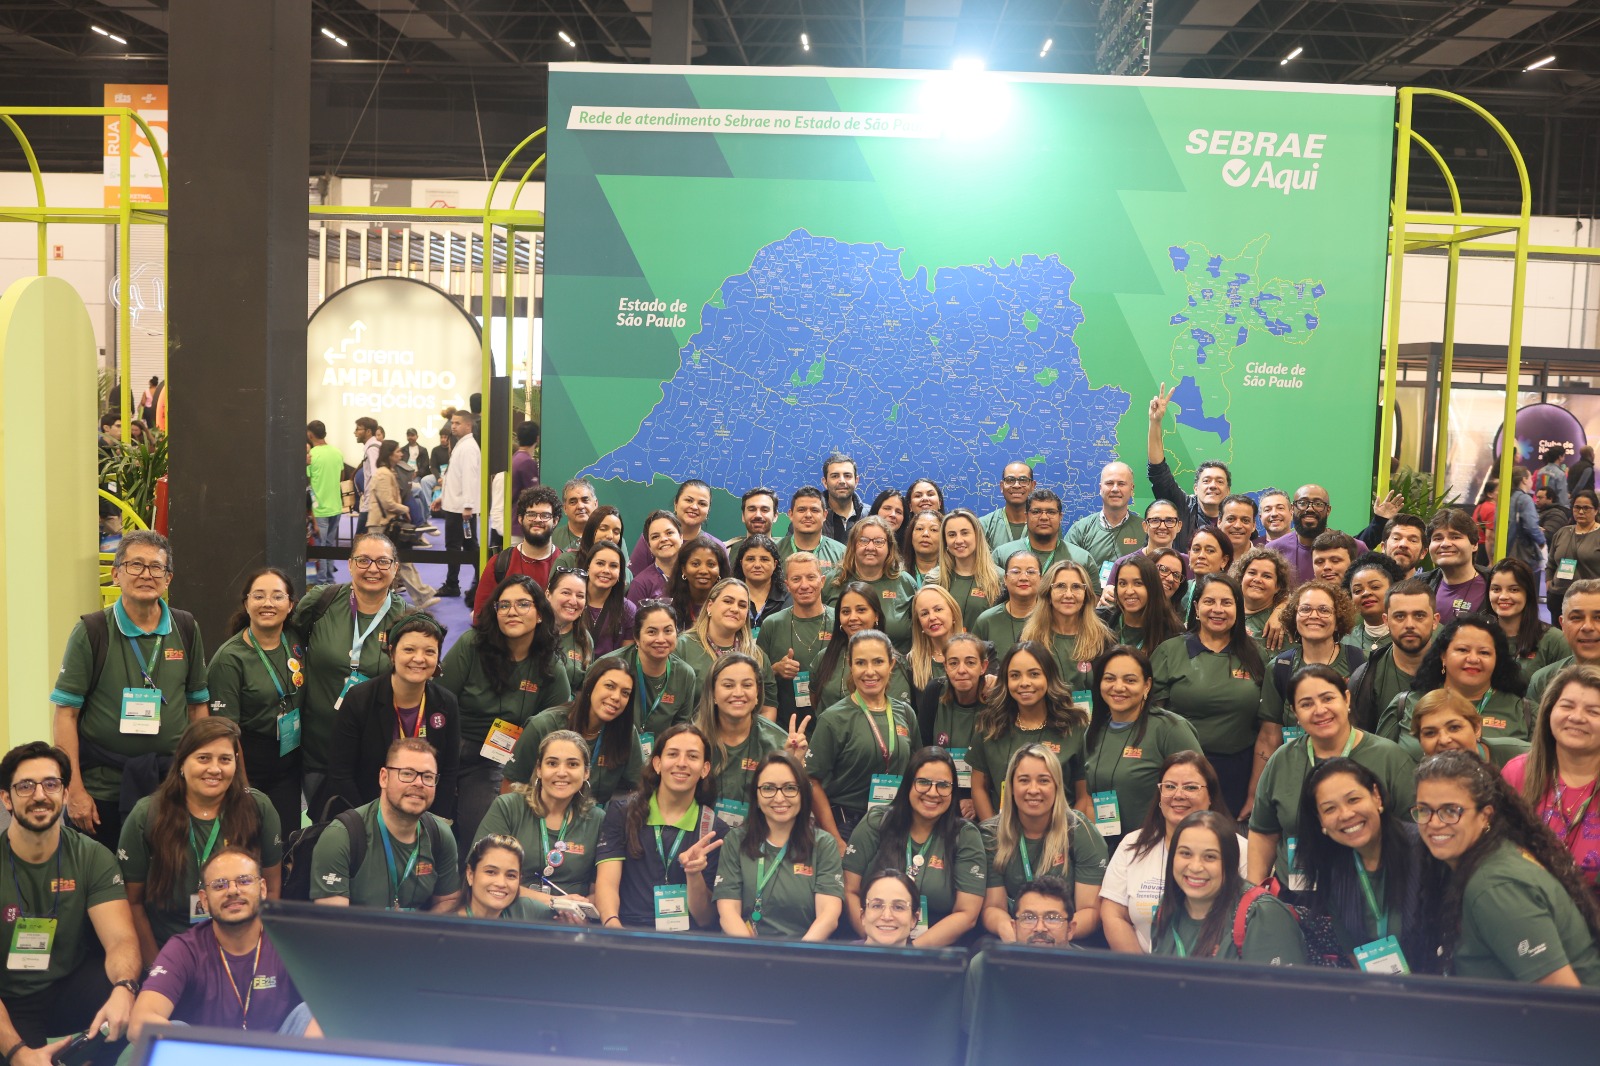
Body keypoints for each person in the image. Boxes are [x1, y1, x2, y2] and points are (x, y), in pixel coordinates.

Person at [52, 530, 210, 850]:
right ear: (116, 574)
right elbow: (65, 714)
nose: (146, 574)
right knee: (102, 875)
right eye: (135, 565)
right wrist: (74, 790)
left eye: (156, 567)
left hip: (171, 785)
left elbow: (197, 708)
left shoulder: (185, 628)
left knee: (167, 874)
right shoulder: (92, 631)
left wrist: (200, 778)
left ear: (168, 579)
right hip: (102, 790)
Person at [0, 742, 141, 1066]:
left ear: (65, 794)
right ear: (6, 798)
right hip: (10, 998)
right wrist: (18, 1053)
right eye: (26, 786)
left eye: (51, 784)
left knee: (133, 994)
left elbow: (120, 940)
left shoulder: (91, 856)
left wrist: (124, 988)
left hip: (68, 985)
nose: (40, 795)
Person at [1413, 750, 1600, 984]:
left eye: (1451, 811)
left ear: (1485, 816)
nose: (1434, 823)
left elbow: (1563, 997)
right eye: (1424, 810)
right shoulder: (1488, 854)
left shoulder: (1495, 887)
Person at [118, 719, 281, 966]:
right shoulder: (147, 815)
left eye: (225, 759)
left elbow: (272, 891)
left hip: (242, 949)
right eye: (203, 758)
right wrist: (156, 968)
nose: (215, 769)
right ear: (182, 763)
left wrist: (259, 957)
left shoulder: (258, 808)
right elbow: (133, 903)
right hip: (170, 951)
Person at [1248, 666, 1415, 894]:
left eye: (1328, 698)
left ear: (1346, 699)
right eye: (1306, 704)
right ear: (1295, 713)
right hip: (1295, 895)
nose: (1320, 710)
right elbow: (1263, 831)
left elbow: (1412, 833)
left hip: (1371, 896)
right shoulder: (1282, 759)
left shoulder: (1389, 757)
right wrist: (1254, 895)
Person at [128, 847, 316, 1037]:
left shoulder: (290, 941)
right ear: (204, 900)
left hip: (279, 1050)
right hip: (205, 1051)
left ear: (263, 889)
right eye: (219, 885)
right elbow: (140, 1023)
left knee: (310, 1014)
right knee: (173, 1028)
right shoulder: (184, 949)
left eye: (244, 881)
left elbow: (330, 1005)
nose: (233, 891)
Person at [442, 575, 571, 848]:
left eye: (523, 604)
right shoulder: (472, 645)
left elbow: (556, 730)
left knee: (482, 835)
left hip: (494, 760)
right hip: (447, 747)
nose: (512, 611)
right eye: (504, 605)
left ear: (539, 614)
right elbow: (438, 703)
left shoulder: (550, 666)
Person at [288, 532, 409, 807]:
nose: (373, 569)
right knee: (324, 824)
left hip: (376, 758)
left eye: (383, 561)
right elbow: (289, 647)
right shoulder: (321, 602)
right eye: (363, 560)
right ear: (350, 564)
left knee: (372, 828)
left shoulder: (407, 619)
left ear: (395, 568)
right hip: (319, 751)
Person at [320, 613, 460, 820]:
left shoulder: (447, 703)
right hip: (362, 811)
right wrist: (368, 823)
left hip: (423, 814)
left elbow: (448, 772)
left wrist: (432, 824)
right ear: (392, 653)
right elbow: (341, 773)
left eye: (430, 651)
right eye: (409, 650)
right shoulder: (360, 699)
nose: (419, 658)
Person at [1100, 752, 1243, 953]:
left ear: (1210, 796)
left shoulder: (1240, 849)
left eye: (1190, 787)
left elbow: (1244, 919)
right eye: (1169, 786)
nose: (1178, 795)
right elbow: (1113, 914)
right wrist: (1143, 968)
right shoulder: (1132, 845)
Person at [1295, 758, 1430, 970]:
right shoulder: (1332, 868)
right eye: (1329, 809)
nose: (1346, 814)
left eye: (1353, 799)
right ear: (1320, 820)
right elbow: (1351, 948)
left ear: (1376, 796)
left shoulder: (1425, 850)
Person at [843, 748, 984, 946]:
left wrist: (909, 951)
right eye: (923, 782)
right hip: (873, 945)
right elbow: (850, 890)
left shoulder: (965, 835)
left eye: (943, 785)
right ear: (909, 784)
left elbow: (967, 913)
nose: (932, 792)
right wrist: (875, 941)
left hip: (935, 951)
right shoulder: (876, 822)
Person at [1150, 573, 1266, 816]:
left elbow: (1268, 730)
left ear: (1238, 609)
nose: (1218, 610)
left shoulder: (1257, 655)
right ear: (1196, 607)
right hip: (1181, 772)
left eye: (1227, 602)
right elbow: (1151, 721)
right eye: (1209, 601)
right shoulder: (1170, 651)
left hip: (1239, 773)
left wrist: (1255, 792)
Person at [594, 724, 729, 930]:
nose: (681, 763)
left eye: (692, 756)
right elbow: (607, 883)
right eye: (672, 754)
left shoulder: (713, 831)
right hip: (627, 931)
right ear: (657, 763)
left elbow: (705, 919)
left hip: (685, 939)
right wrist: (612, 924)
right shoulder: (622, 813)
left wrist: (693, 874)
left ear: (705, 769)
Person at [206, 568, 304, 835]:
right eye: (259, 596)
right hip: (250, 762)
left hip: (289, 758)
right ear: (246, 603)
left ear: (290, 604)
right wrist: (241, 784)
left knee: (286, 838)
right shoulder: (229, 659)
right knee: (249, 839)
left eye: (277, 596)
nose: (268, 603)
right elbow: (225, 732)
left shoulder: (294, 640)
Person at [310, 739, 459, 911]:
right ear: (384, 778)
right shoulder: (341, 837)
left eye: (428, 777)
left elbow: (447, 901)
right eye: (407, 773)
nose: (419, 783)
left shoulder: (440, 835)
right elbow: (334, 921)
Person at [979, 745, 1108, 942]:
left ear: (1057, 786)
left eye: (1043, 781)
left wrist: (1050, 935)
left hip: (1065, 940)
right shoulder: (990, 834)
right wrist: (1018, 936)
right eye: (1024, 780)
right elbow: (993, 908)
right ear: (1011, 787)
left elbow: (1091, 911)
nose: (1033, 790)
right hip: (1015, 940)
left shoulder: (1080, 831)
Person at [807, 629, 921, 850]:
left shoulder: (905, 713)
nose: (870, 671)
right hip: (847, 826)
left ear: (891, 665)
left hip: (897, 824)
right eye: (860, 663)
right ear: (850, 665)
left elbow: (915, 770)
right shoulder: (833, 718)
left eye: (878, 662)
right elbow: (812, 781)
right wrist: (835, 839)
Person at [1083, 646, 1202, 852]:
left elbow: (1200, 792)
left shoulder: (1170, 728)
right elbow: (1088, 797)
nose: (1118, 687)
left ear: (1147, 685)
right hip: (1108, 848)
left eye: (1130, 680)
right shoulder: (1094, 731)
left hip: (1159, 847)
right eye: (1109, 678)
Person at [1151, 810, 1308, 964]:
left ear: (1230, 862)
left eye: (1210, 857)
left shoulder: (1263, 915)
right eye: (1186, 853)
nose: (1195, 867)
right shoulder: (1167, 908)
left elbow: (1281, 982)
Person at [715, 752, 843, 940]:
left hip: (803, 950)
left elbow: (828, 917)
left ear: (803, 794)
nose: (779, 798)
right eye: (768, 788)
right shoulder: (736, 840)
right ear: (756, 796)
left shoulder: (823, 844)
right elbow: (728, 913)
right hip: (744, 949)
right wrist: (751, 952)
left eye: (790, 788)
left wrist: (796, 954)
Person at [474, 730, 605, 909]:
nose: (561, 772)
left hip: (570, 921)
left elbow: (602, 890)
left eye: (573, 764)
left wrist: (581, 910)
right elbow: (480, 876)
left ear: (586, 773)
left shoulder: (597, 819)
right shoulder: (508, 807)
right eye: (552, 763)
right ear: (539, 770)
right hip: (509, 914)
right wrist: (553, 902)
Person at [968, 641, 1091, 822]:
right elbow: (979, 788)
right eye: (1015, 675)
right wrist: (994, 831)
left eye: (1034, 674)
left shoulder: (1075, 726)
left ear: (1049, 676)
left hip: (1061, 832)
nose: (1024, 683)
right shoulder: (990, 725)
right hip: (1002, 833)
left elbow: (1084, 796)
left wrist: (1067, 831)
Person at [1503, 664, 1600, 890]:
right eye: (1567, 706)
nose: (1576, 717)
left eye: (1594, 712)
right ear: (1549, 711)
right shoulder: (1516, 773)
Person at [1379, 615, 1534, 751]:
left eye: (1484, 652)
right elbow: (1382, 762)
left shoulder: (1525, 711)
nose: (1473, 659)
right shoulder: (1406, 704)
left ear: (1497, 661)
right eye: (1462, 650)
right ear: (1443, 656)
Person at [501, 658, 644, 805]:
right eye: (609, 686)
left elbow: (641, 788)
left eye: (625, 693)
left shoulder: (625, 733)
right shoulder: (543, 726)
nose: (616, 697)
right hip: (539, 812)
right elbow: (510, 786)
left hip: (592, 816)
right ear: (590, 685)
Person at [1256, 579, 1366, 767]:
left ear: (1338, 621)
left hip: (1353, 767)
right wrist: (1258, 786)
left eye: (1324, 610)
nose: (1314, 616)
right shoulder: (1280, 667)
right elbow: (1269, 737)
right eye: (1305, 609)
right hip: (1297, 767)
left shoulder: (1360, 661)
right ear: (1294, 617)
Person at [696, 654, 805, 825]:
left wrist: (795, 767)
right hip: (699, 833)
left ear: (757, 693)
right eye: (728, 685)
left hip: (760, 832)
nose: (738, 693)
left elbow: (798, 808)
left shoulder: (778, 743)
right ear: (713, 693)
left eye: (747, 685)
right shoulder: (694, 740)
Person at [675, 579, 779, 717]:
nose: (735, 609)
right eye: (728, 601)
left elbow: (767, 708)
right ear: (710, 606)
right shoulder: (681, 647)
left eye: (742, 605)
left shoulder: (756, 655)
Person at [1146, 385, 1231, 551]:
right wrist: (1155, 422)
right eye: (1206, 481)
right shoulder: (1182, 507)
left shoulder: (1235, 520)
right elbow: (1158, 470)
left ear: (1228, 491)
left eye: (1220, 481)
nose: (1213, 485)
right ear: (1195, 488)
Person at [1347, 578, 1438, 733]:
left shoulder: (1454, 670)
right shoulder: (1364, 678)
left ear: (1435, 621)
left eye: (1419, 615)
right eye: (1399, 616)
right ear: (1386, 621)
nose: (1409, 625)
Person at [757, 553, 835, 731]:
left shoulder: (840, 621)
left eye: (811, 577)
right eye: (796, 579)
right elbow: (755, 678)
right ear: (787, 585)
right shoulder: (772, 624)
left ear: (822, 581)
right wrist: (775, 669)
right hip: (784, 727)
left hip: (833, 727)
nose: (804, 585)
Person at [807, 583, 913, 711]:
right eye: (846, 612)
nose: (852, 618)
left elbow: (898, 712)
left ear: (876, 615)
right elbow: (815, 700)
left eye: (861, 610)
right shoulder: (824, 658)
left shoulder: (895, 662)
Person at [914, 634, 987, 817]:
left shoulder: (994, 698)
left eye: (970, 663)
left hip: (982, 796)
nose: (961, 670)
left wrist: (976, 799)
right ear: (945, 666)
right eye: (953, 663)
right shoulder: (935, 691)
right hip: (938, 792)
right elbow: (923, 749)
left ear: (983, 667)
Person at [822, 516, 917, 652]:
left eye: (879, 542)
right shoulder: (833, 580)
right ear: (853, 545)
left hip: (896, 663)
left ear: (889, 547)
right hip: (841, 661)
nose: (870, 547)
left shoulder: (905, 583)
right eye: (863, 540)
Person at [1022, 560, 1113, 700]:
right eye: (1060, 586)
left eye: (1076, 587)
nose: (1069, 594)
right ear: (1048, 594)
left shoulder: (1103, 639)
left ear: (1086, 595)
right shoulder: (1029, 637)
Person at [472, 487, 564, 621]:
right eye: (531, 514)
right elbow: (481, 616)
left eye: (545, 515)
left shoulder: (565, 563)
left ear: (555, 521)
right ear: (520, 519)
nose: (538, 520)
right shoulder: (499, 564)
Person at [366, 440, 438, 607]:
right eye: (398, 451)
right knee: (395, 562)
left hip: (385, 524)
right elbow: (387, 502)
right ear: (389, 454)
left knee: (400, 561)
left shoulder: (388, 472)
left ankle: (421, 596)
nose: (401, 454)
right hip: (381, 526)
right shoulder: (384, 474)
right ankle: (421, 596)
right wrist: (405, 508)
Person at [1489, 558, 1569, 687]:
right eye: (1496, 589)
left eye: (1514, 590)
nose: (1503, 596)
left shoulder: (1554, 640)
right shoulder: (1481, 636)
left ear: (1528, 593)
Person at [1265, 485, 1362, 585]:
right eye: (1302, 503)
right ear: (1292, 508)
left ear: (1328, 510)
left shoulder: (1355, 547)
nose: (1310, 509)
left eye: (1318, 504)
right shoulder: (1273, 551)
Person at [1409, 688, 1530, 768]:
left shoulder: (1522, 758)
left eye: (1454, 727)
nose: (1444, 740)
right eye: (1430, 733)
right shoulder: (1417, 775)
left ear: (1477, 729)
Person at [629, 479, 724, 576]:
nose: (694, 507)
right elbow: (632, 579)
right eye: (689, 500)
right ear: (676, 503)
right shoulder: (651, 539)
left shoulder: (717, 547)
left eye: (702, 504)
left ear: (708, 510)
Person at [434, 408, 481, 602]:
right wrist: (442, 498)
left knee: (456, 547)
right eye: (452, 423)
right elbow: (454, 478)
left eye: (457, 423)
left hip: (460, 510)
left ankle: (453, 584)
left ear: (468, 425)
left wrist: (468, 506)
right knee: (469, 546)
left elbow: (470, 478)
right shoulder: (462, 445)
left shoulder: (468, 448)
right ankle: (478, 580)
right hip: (456, 506)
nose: (453, 426)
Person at [1065, 461, 1142, 577]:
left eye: (1121, 484)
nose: (1115, 489)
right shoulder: (1080, 530)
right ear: (1100, 488)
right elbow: (1066, 572)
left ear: (1132, 489)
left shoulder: (1145, 530)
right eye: (1109, 483)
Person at [932, 509, 1004, 631]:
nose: (959, 540)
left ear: (977, 536)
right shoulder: (934, 579)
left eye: (965, 533)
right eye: (952, 535)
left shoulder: (1000, 578)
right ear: (945, 541)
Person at [1530, 578, 1600, 704]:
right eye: (1576, 618)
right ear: (1562, 625)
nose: (1587, 627)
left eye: (1598, 618)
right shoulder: (1543, 681)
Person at [455, 835, 552, 922]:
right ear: (470, 875)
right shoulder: (450, 926)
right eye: (490, 872)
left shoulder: (527, 911)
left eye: (511, 875)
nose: (501, 883)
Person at [994, 490, 1089, 576]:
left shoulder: (1082, 559)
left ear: (1060, 517)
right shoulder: (1002, 555)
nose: (1044, 517)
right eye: (1036, 512)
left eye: (1051, 512)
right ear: (1026, 516)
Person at [971, 549, 1041, 664]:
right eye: (1016, 572)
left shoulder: (1053, 618)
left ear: (1041, 579)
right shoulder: (986, 621)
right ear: (1005, 579)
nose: (1023, 577)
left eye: (1031, 572)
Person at [1103, 555, 1184, 652]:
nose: (1129, 591)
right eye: (1123, 583)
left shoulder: (1172, 633)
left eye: (1138, 583)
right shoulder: (1101, 620)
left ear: (1152, 587)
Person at [1422, 508, 1490, 623]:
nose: (1445, 544)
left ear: (1474, 545)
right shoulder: (1419, 585)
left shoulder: (1495, 586)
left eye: (1455, 537)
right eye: (1438, 538)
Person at [906, 585, 966, 706]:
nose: (932, 617)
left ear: (953, 613)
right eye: (924, 614)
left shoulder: (978, 652)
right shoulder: (911, 662)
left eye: (938, 609)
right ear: (919, 623)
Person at [1548, 490, 1600, 622]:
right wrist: (1549, 584)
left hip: (1590, 600)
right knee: (1558, 633)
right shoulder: (1562, 533)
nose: (1581, 512)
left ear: (1596, 510)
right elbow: (1551, 563)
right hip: (1559, 596)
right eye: (1577, 507)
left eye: (1586, 508)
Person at [305, 421, 344, 585]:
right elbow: (341, 476)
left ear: (310, 435)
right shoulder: (337, 452)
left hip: (319, 509)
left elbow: (306, 481)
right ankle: (329, 580)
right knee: (329, 546)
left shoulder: (311, 456)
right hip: (336, 506)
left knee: (320, 547)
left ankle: (322, 583)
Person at [1343, 552, 1405, 655]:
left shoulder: (1412, 632)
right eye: (1358, 591)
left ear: (1394, 589)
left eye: (1375, 587)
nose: (1366, 593)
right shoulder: (1346, 641)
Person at [776, 488, 846, 578]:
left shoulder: (841, 553)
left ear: (824, 515)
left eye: (814, 510)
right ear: (791, 514)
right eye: (801, 510)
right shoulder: (775, 551)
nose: (808, 515)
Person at [1110, 499, 1187, 579]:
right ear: (1145, 526)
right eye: (1155, 520)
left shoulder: (1188, 564)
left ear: (1179, 526)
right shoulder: (1123, 565)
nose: (1162, 527)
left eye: (1170, 521)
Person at [666, 535, 730, 630]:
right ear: (683, 569)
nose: (703, 571)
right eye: (695, 564)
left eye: (711, 564)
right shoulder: (668, 606)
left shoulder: (730, 606)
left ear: (720, 570)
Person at [584, 540, 636, 657]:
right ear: (588, 566)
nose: (606, 570)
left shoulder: (628, 610)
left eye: (613, 566)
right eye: (600, 563)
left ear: (620, 572)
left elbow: (625, 658)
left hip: (611, 668)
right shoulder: (572, 602)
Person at [1234, 547, 1289, 651]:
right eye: (1252, 573)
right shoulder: (1227, 610)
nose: (1257, 579)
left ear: (1278, 586)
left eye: (1267, 576)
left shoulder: (1282, 624)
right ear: (1241, 578)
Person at [546, 567, 592, 693]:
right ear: (548, 595)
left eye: (580, 596)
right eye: (566, 593)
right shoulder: (531, 630)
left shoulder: (585, 639)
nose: (573, 601)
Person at [626, 510, 682, 606]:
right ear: (649, 546)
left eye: (669, 533)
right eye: (655, 537)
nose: (663, 539)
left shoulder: (693, 574)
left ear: (681, 537)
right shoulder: (640, 584)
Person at [734, 534, 787, 632]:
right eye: (750, 559)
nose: (757, 565)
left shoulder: (788, 598)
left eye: (764, 559)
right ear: (741, 563)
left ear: (775, 564)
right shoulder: (729, 597)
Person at [1178, 527, 1234, 617]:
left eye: (1210, 551)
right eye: (1196, 549)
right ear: (1189, 555)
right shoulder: (1181, 590)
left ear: (1224, 560)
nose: (1201, 556)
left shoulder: (1233, 593)